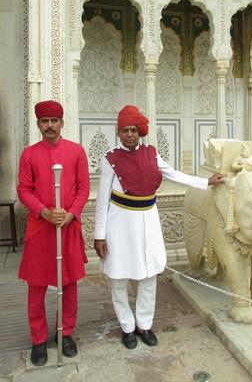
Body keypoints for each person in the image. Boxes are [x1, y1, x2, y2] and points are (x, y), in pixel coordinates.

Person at [94, 105, 224, 349]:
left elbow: (174, 174)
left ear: (140, 132)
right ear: (119, 133)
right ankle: (127, 328)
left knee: (148, 275)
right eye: (124, 130)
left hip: (148, 222)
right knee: (119, 277)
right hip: (119, 224)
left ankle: (144, 325)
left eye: (133, 130)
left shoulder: (152, 154)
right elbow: (102, 200)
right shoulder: (109, 158)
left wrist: (205, 181)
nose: (129, 134)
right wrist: (99, 235)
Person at [17, 100, 90, 366]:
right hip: (41, 228)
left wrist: (70, 214)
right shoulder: (29, 154)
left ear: (61, 122)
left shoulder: (76, 152)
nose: (50, 126)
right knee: (36, 286)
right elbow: (24, 189)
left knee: (68, 284)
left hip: (68, 227)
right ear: (38, 124)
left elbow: (83, 188)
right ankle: (38, 339)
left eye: (54, 121)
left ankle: (65, 333)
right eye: (45, 122)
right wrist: (44, 212)